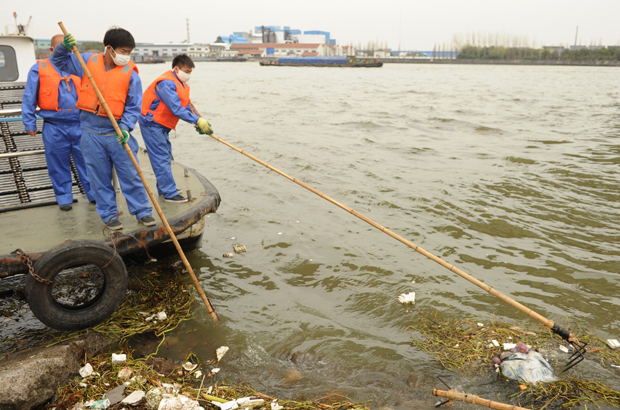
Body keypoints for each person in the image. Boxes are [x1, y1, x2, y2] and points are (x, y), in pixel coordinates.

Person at [53, 27, 155, 231]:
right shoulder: (86, 62)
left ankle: (142, 211)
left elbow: (134, 105)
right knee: (98, 178)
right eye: (123, 51)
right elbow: (59, 62)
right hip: (91, 133)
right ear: (109, 49)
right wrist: (63, 47)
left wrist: (126, 128)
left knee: (131, 175)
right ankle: (109, 215)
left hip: (118, 133)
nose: (127, 56)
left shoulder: (130, 73)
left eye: (129, 52)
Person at [22, 34, 95, 211]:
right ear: (53, 50)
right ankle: (64, 198)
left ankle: (93, 194)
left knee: (87, 162)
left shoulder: (78, 67)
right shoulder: (39, 68)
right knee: (57, 163)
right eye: (62, 50)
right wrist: (29, 123)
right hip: (54, 126)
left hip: (80, 124)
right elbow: (29, 97)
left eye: (69, 50)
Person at [139, 54, 213, 203]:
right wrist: (196, 120)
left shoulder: (182, 84)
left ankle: (165, 187)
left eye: (190, 72)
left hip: (162, 124)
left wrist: (198, 121)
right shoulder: (167, 83)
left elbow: (186, 105)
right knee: (161, 157)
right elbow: (175, 108)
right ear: (176, 68)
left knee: (166, 155)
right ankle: (169, 193)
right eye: (186, 71)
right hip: (151, 122)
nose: (188, 74)